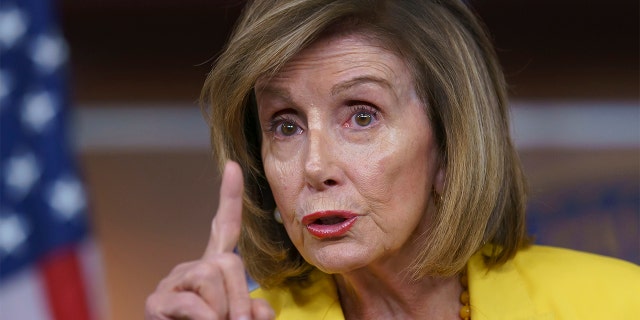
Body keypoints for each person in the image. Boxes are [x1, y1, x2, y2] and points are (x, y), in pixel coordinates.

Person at [145, 0, 640, 319]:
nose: (315, 166)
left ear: (450, 144)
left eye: (361, 116)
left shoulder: (618, 304)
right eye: (287, 124)